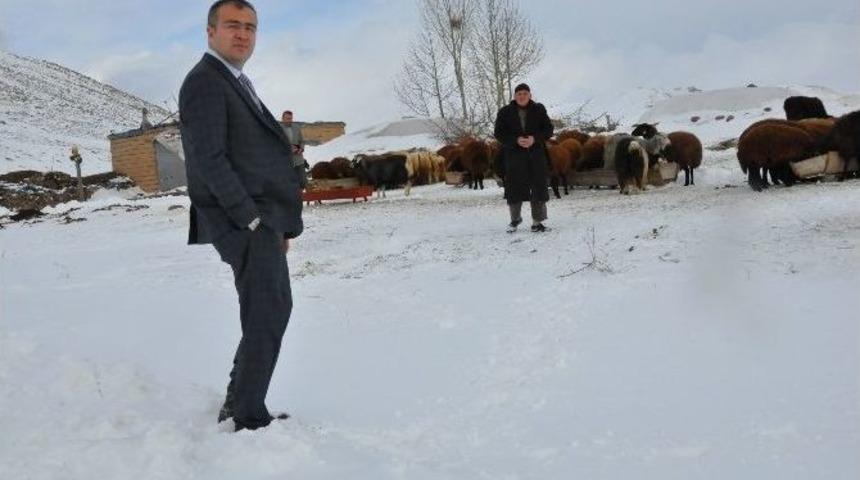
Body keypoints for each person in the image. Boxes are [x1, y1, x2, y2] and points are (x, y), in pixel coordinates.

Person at [179, 0, 304, 432]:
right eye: (232, 25)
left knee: (267, 310)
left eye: (250, 27)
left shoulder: (236, 80)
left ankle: (240, 402)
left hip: (261, 219)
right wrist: (251, 218)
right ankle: (247, 416)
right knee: (269, 310)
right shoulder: (205, 83)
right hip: (243, 221)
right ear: (210, 31)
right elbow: (208, 159)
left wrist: (278, 223)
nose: (243, 34)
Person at [493, 83, 554, 233]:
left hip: (536, 156)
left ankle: (537, 222)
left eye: (525, 94)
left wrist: (535, 139)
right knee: (514, 188)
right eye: (519, 94)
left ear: (530, 95)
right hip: (514, 157)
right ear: (515, 96)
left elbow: (548, 129)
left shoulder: (539, 109)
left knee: (538, 188)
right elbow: (499, 133)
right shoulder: (505, 112)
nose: (522, 96)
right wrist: (515, 140)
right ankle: (515, 220)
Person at [281, 110, 309, 186]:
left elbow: (302, 141)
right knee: (289, 183)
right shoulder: (278, 129)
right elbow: (276, 143)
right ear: (282, 119)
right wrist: (289, 149)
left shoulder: (297, 127)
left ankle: (304, 196)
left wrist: (301, 149)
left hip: (298, 158)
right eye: (287, 118)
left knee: (303, 181)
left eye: (290, 118)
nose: (289, 120)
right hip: (286, 160)